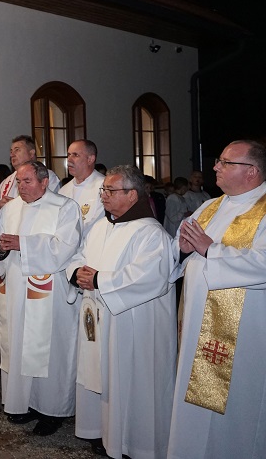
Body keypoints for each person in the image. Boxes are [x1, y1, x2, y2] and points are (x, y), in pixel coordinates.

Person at [67, 165, 176, 458]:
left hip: (132, 323)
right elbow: (78, 255)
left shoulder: (151, 233)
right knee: (99, 374)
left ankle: (134, 442)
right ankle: (102, 432)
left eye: (110, 190)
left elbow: (150, 277)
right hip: (98, 317)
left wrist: (100, 279)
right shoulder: (102, 226)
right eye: (103, 190)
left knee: (130, 381)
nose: (103, 195)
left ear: (132, 195)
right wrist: (76, 272)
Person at [167, 140, 266, 459]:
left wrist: (212, 250)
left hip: (242, 331)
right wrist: (181, 250)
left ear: (251, 172)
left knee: (236, 406)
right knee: (193, 403)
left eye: (225, 162)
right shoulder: (211, 206)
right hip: (196, 323)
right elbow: (182, 248)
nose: (215, 167)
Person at [0, 161, 81, 436]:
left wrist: (22, 244)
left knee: (48, 350)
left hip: (48, 295)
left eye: (27, 182)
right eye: (18, 182)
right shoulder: (11, 207)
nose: (21, 187)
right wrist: (0, 249)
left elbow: (65, 247)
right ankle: (22, 403)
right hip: (15, 291)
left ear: (44, 182)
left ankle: (52, 411)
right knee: (17, 347)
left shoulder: (64, 207)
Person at [0, 135, 60, 213]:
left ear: (31, 153)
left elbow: (50, 202)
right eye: (11, 151)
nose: (12, 155)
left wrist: (15, 205)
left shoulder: (47, 175)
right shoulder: (8, 180)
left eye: (17, 150)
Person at [59, 140, 104, 237]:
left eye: (75, 155)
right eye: (69, 155)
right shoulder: (63, 191)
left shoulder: (105, 187)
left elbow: (99, 222)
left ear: (90, 159)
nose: (69, 160)